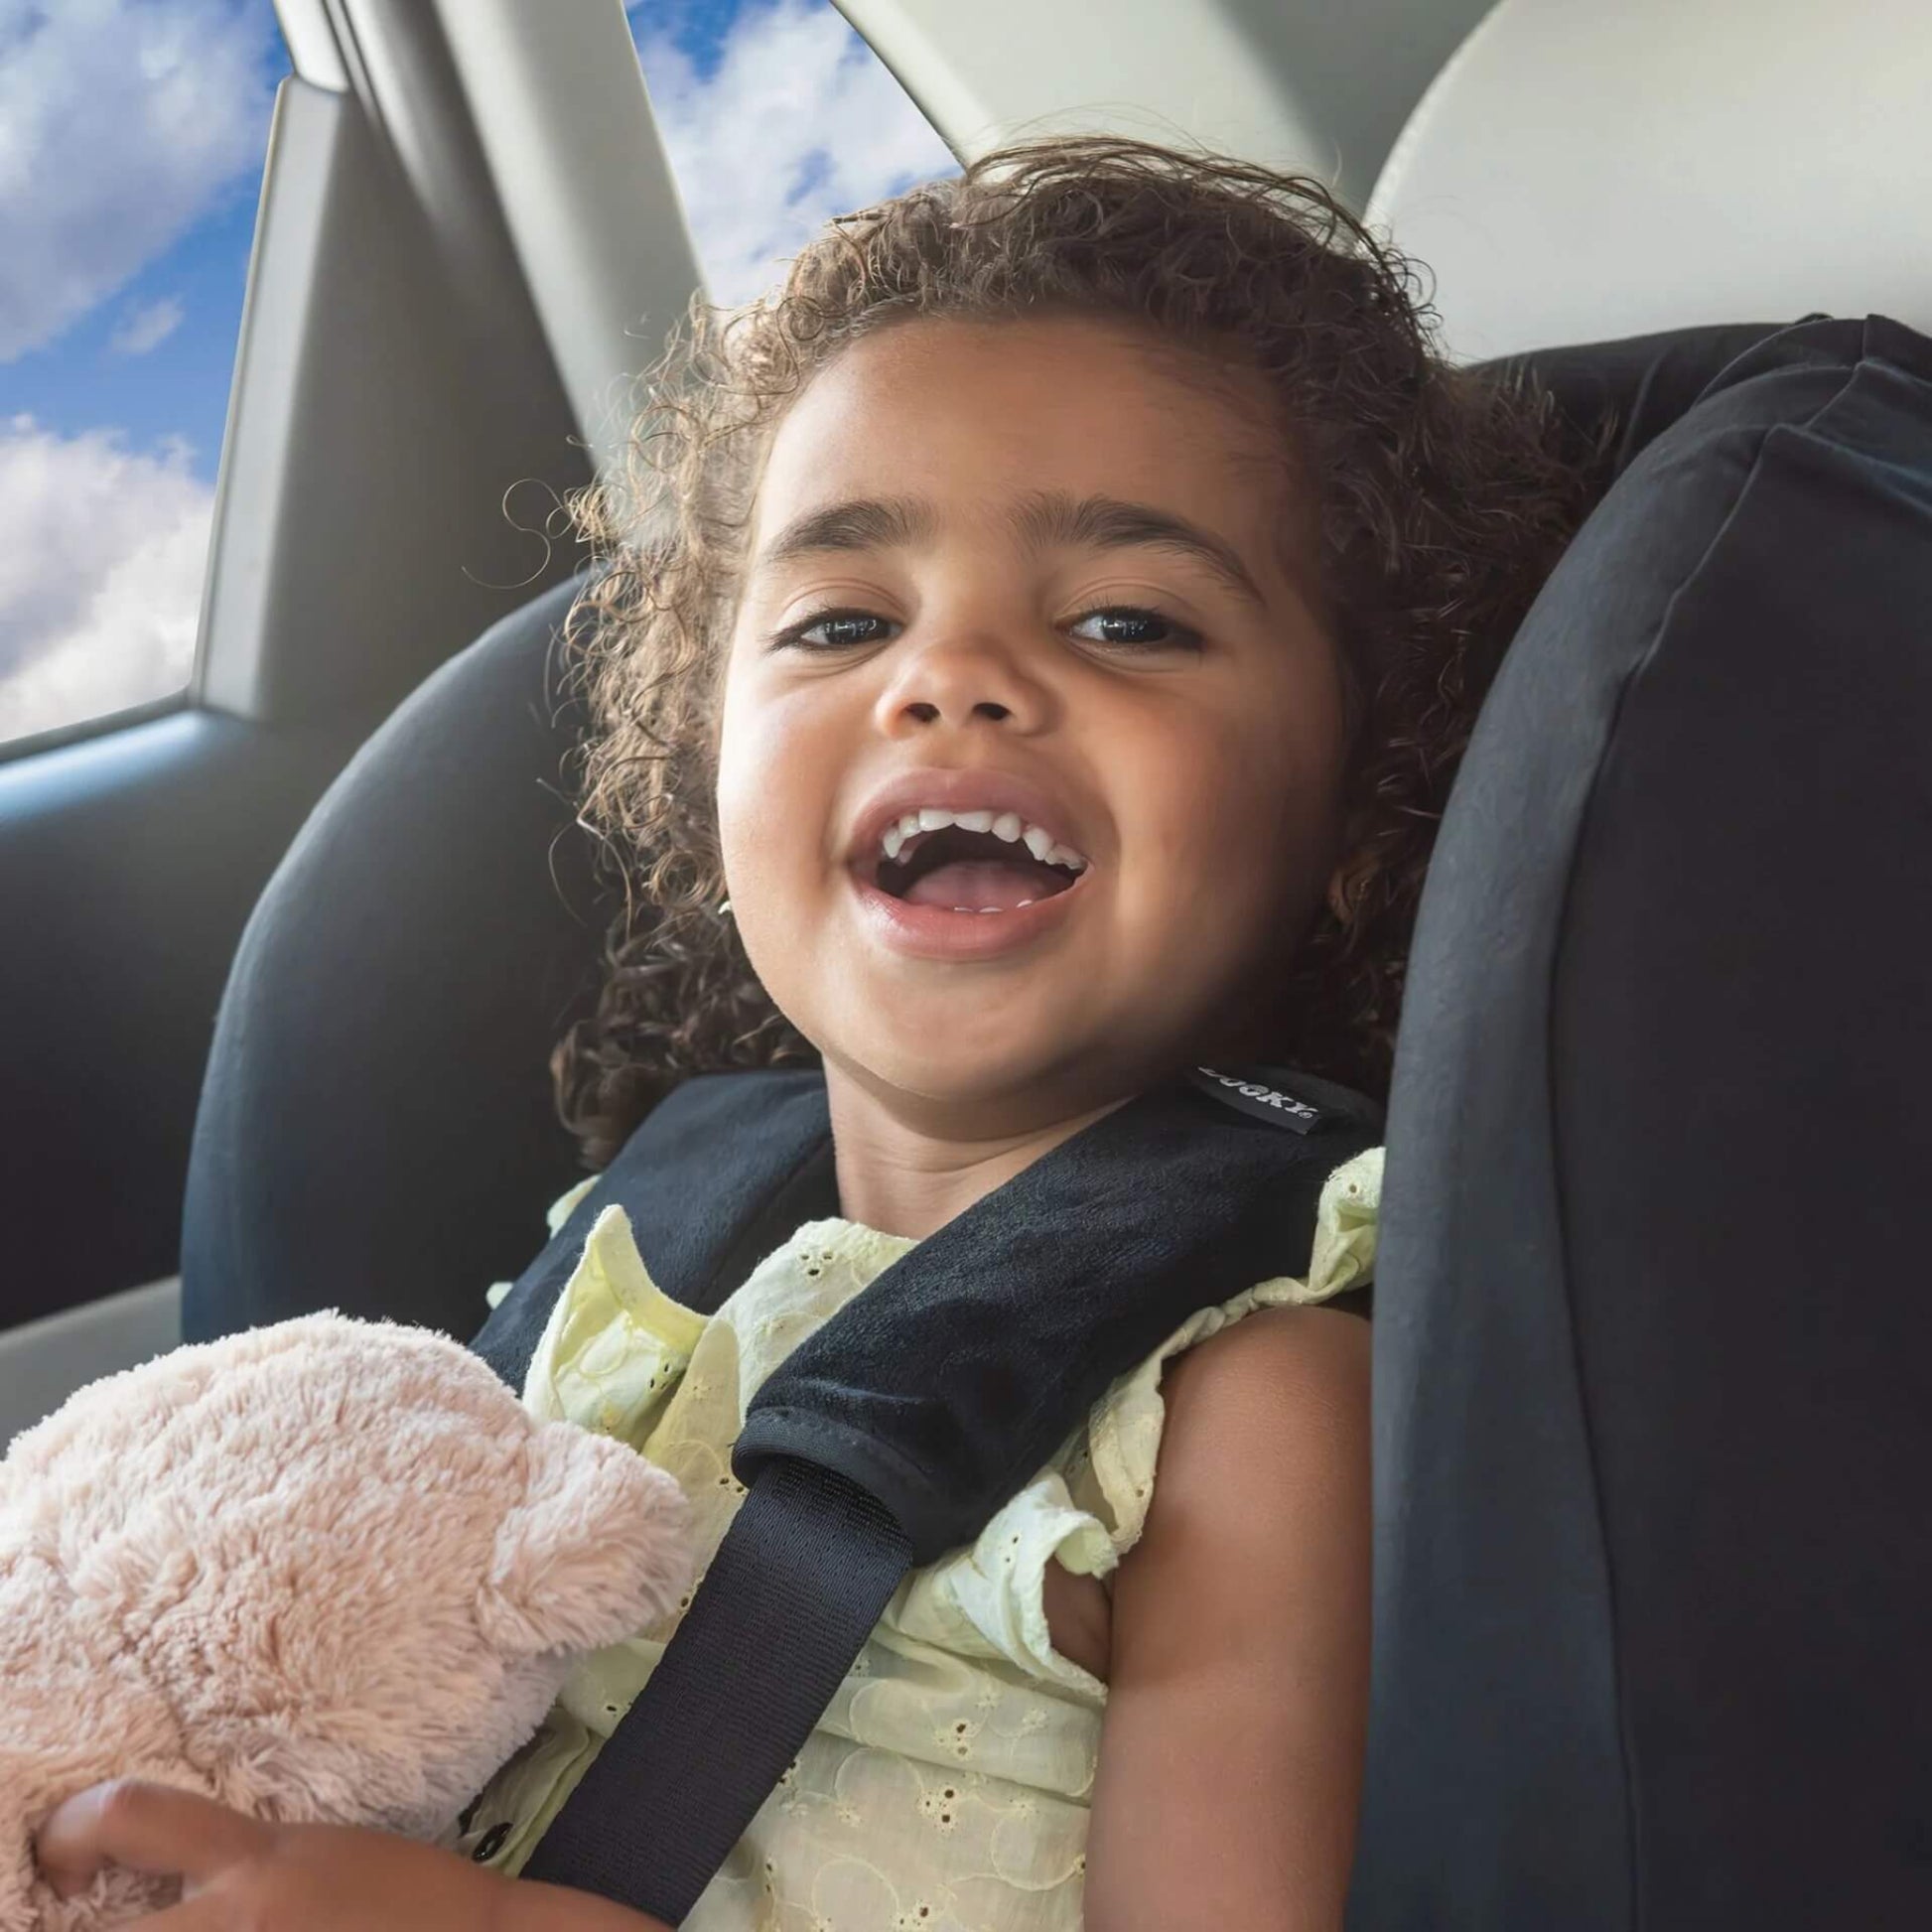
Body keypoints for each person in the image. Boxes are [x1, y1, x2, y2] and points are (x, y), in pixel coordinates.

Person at [35, 137, 1590, 1930]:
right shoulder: (624, 1258)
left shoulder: (1245, 1403)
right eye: (844, 618)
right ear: (711, 781)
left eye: (1127, 620)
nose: (953, 674)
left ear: (1359, 802)